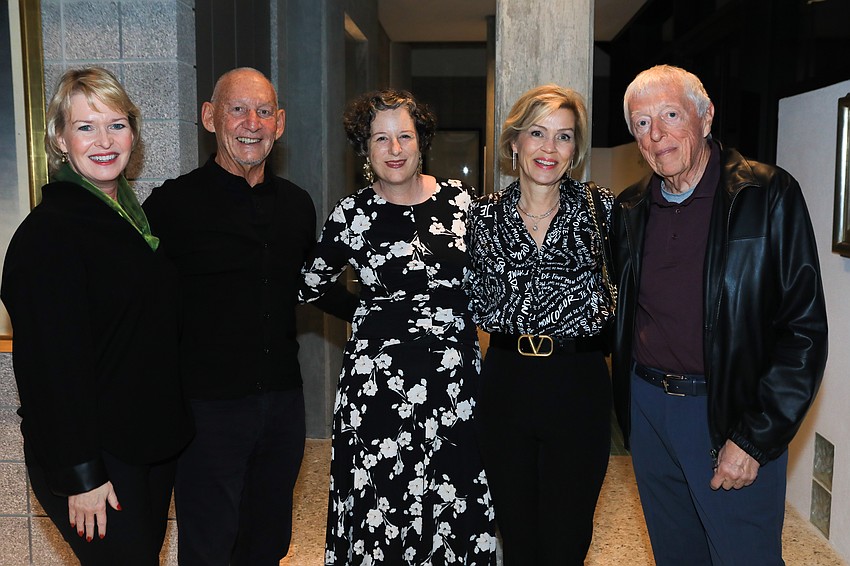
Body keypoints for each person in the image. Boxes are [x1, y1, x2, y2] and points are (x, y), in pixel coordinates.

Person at [611, 64, 828, 565]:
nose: (656, 134)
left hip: (728, 412)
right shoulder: (630, 209)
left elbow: (803, 331)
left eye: (670, 115)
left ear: (706, 117)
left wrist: (754, 437)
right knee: (676, 555)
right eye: (642, 123)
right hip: (649, 409)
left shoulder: (766, 195)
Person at [143, 67, 354, 565]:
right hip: (207, 408)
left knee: (269, 541)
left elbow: (313, 284)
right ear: (209, 117)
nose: (251, 123)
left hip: (282, 402)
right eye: (237, 109)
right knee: (211, 544)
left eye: (263, 111)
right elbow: (139, 300)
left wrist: (390, 311)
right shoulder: (173, 205)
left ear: (280, 123)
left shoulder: (297, 205)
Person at [0, 66, 193, 565]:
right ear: (60, 140)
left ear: (133, 133)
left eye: (116, 124)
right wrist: (81, 475)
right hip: (95, 458)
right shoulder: (48, 234)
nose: (104, 141)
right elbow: (49, 371)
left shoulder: (130, 221)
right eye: (85, 127)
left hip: (145, 446)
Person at [300, 88, 496, 565]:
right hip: (377, 391)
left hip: (454, 386)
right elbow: (310, 285)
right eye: (380, 138)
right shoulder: (352, 214)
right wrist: (367, 315)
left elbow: (490, 280)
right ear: (364, 149)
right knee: (382, 500)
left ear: (421, 140)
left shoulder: (463, 203)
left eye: (404, 136)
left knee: (455, 496)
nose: (394, 149)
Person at [465, 84, 615, 565]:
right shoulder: (482, 216)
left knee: (567, 541)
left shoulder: (602, 209)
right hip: (506, 384)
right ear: (514, 142)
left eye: (564, 136)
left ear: (575, 149)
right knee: (518, 538)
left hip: (579, 384)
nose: (549, 148)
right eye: (537, 133)